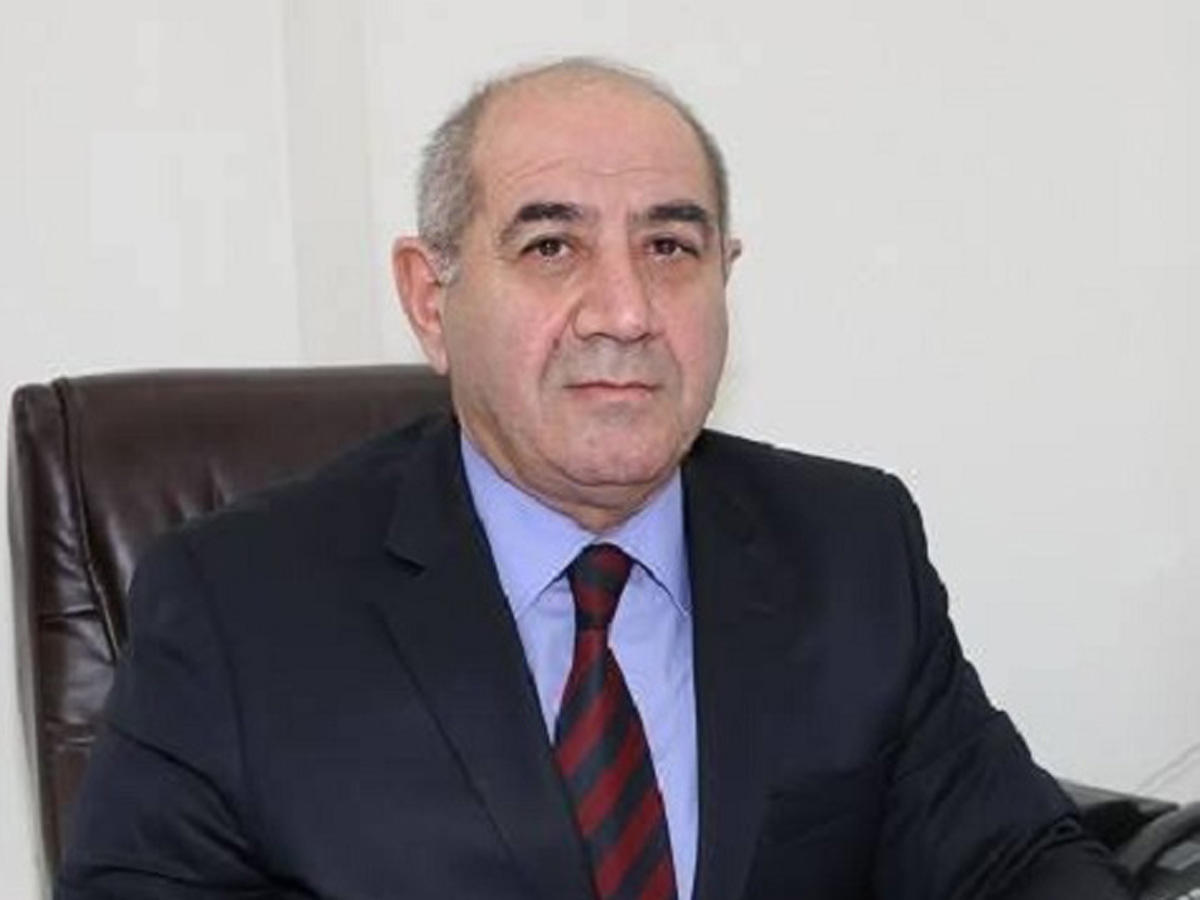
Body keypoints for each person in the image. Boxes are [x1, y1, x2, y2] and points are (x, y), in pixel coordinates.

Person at [58, 58, 1132, 899]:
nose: (625, 311)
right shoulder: (239, 606)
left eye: (670, 248)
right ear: (431, 299)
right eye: (551, 248)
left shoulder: (850, 547)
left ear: (724, 278)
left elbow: (1016, 860)